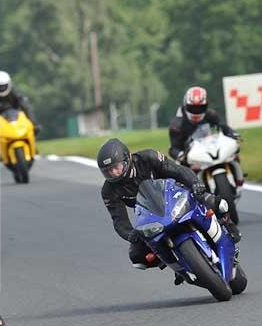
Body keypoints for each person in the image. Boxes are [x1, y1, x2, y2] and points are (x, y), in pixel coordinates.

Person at [97, 138, 240, 282]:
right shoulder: (108, 191)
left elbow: (178, 170)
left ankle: (229, 229)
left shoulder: (148, 157)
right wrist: (130, 234)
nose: (114, 173)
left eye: (117, 167)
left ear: (127, 159)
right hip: (149, 214)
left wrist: (195, 184)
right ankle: (177, 265)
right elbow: (118, 220)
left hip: (176, 194)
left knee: (215, 202)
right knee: (137, 256)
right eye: (109, 171)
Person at [169, 86, 244, 185]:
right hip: (189, 155)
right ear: (186, 105)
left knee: (234, 151)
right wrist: (181, 155)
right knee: (179, 176)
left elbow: (222, 127)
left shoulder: (211, 114)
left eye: (200, 108)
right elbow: (173, 148)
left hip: (208, 145)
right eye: (193, 108)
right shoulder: (176, 125)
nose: (196, 111)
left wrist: (232, 133)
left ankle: (238, 178)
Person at [0, 71, 40, 160]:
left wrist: (34, 123)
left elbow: (26, 107)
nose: (2, 88)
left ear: (9, 83)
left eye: (4, 86)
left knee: (33, 127)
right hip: (0, 119)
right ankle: (0, 153)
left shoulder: (16, 92)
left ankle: (34, 148)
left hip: (17, 115)